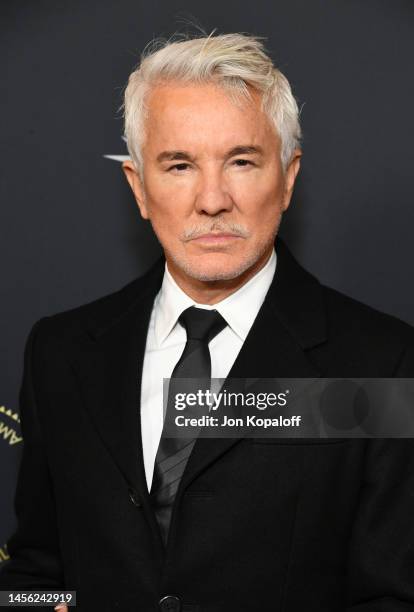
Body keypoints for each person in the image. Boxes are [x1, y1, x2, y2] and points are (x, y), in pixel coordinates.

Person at [1, 31, 414, 612]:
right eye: (179, 165)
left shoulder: (384, 363)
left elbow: (392, 597)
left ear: (288, 178)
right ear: (139, 187)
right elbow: (35, 573)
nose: (213, 199)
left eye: (242, 161)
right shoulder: (60, 352)